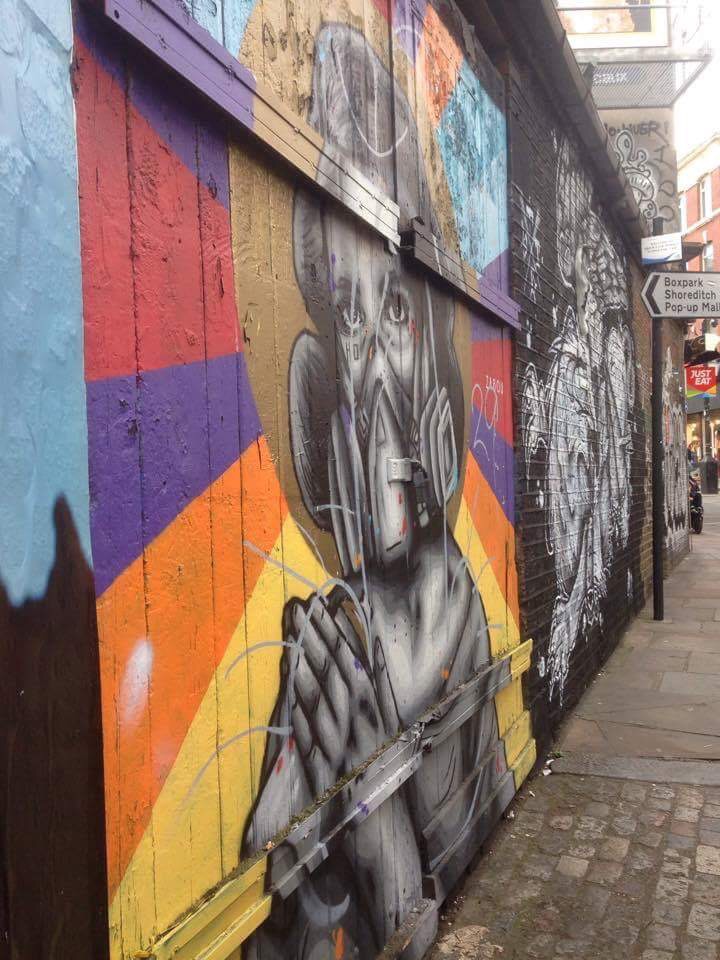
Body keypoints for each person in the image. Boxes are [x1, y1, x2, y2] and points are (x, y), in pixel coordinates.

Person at [240, 24, 511, 960]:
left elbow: (449, 853)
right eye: (349, 317)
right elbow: (274, 915)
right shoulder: (327, 643)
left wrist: (369, 811)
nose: (377, 375)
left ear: (432, 334)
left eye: (394, 306)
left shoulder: (457, 606)